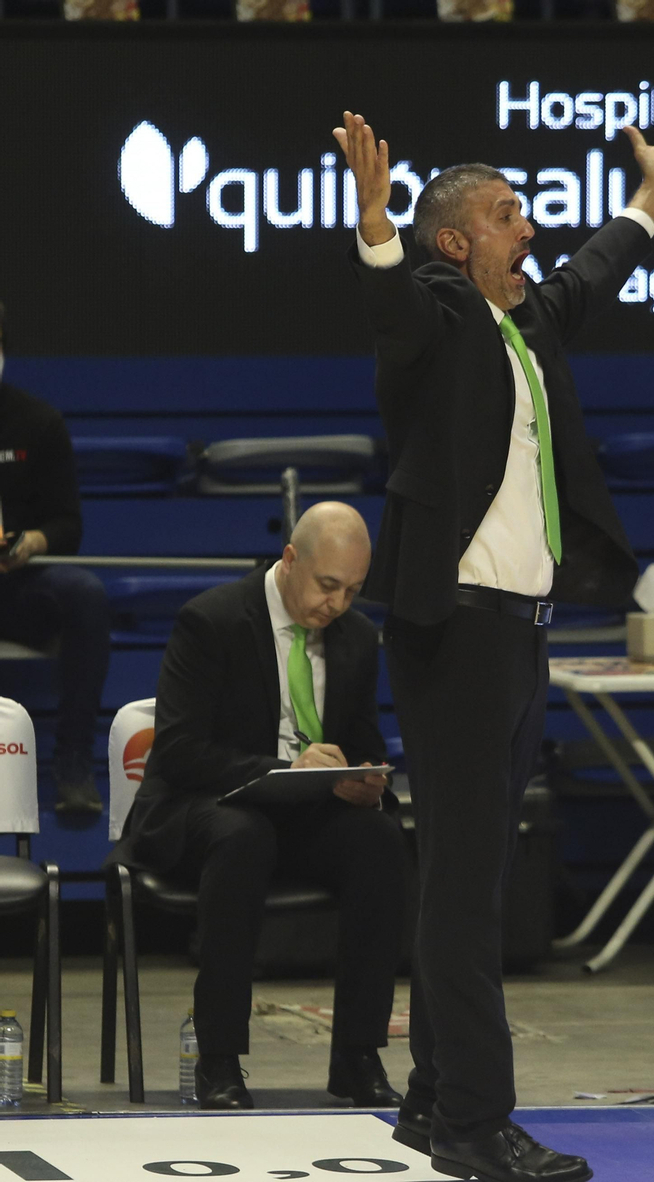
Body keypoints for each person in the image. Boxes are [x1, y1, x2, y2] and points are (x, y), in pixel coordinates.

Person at [334, 111, 654, 1182]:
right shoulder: (442, 313)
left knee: (474, 874)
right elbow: (392, 309)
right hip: (455, 630)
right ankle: (474, 1124)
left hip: (516, 637)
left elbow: (591, 273)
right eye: (508, 214)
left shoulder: (525, 322)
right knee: (465, 891)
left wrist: (650, 198)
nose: (529, 225)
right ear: (455, 242)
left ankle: (425, 1102)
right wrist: (374, 222)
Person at [117, 502, 404, 1110]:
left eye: (353, 590)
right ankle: (218, 1059)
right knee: (243, 836)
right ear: (290, 560)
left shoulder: (355, 637)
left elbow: (362, 739)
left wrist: (363, 778)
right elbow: (180, 753)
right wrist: (283, 771)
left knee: (379, 840)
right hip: (203, 808)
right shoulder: (212, 620)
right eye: (328, 586)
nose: (339, 604)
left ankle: (357, 1055)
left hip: (301, 816)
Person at [0, 300, 111, 817]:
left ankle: (73, 762)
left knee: (85, 593)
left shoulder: (38, 421)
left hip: (20, 587)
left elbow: (69, 525)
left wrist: (29, 543)